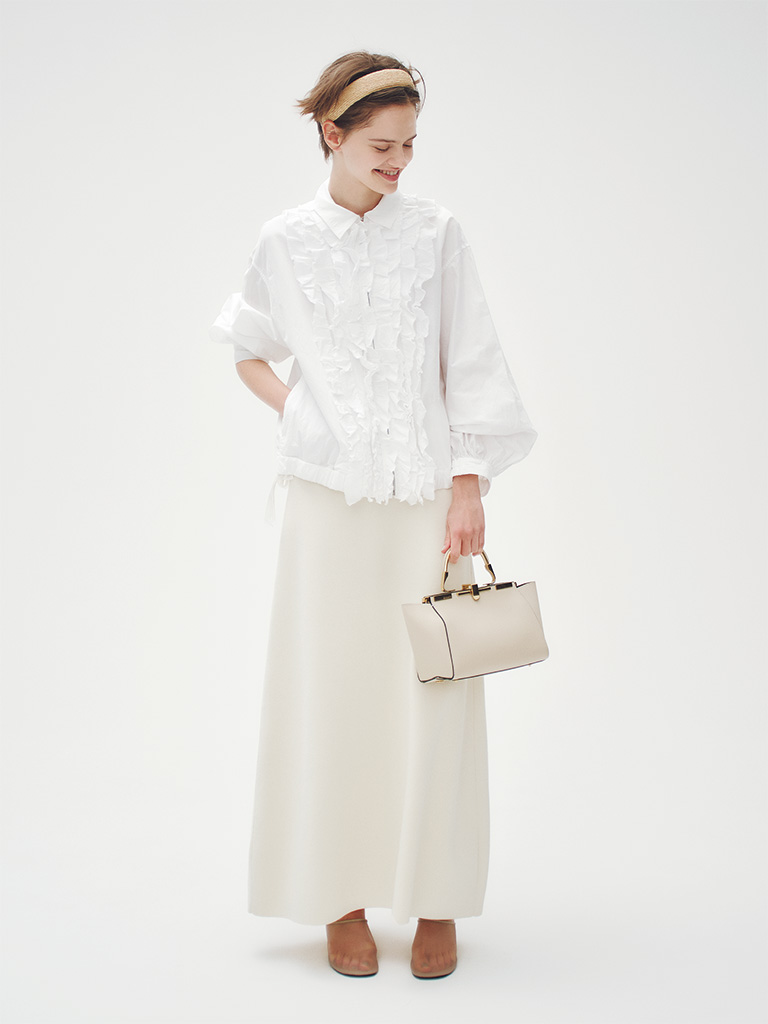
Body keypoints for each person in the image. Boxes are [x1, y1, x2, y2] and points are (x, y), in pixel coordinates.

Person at [209, 50, 538, 979]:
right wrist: (301, 414)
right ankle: (340, 899)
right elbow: (246, 346)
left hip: (424, 499)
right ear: (332, 133)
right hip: (328, 506)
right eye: (382, 146)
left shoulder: (436, 233)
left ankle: (436, 900)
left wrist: (467, 484)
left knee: (436, 691)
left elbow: (471, 359)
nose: (398, 162)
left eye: (410, 145)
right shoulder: (285, 239)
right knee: (332, 694)